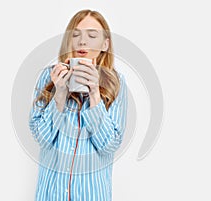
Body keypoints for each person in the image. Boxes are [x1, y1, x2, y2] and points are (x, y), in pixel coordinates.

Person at [29, 9, 128, 201]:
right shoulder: (48, 77)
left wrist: (94, 93)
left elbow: (109, 146)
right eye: (76, 35)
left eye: (92, 35)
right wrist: (60, 94)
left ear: (105, 44)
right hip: (50, 195)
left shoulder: (117, 83)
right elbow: (41, 138)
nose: (83, 41)